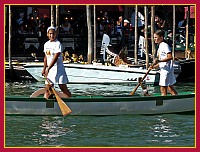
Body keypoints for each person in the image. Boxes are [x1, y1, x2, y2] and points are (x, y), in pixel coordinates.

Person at [42, 26, 72, 99]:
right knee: (48, 88)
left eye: (53, 34)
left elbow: (55, 57)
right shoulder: (46, 44)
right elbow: (46, 57)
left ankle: (70, 99)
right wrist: (44, 68)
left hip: (58, 69)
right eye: (50, 34)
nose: (51, 35)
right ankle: (48, 103)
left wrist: (48, 68)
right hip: (49, 69)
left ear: (56, 34)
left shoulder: (57, 44)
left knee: (62, 87)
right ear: (47, 34)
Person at [151, 30, 177, 96]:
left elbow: (170, 57)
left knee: (163, 88)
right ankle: (175, 98)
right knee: (169, 87)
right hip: (164, 69)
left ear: (161, 37)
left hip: (166, 70)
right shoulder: (160, 46)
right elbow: (161, 60)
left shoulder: (165, 45)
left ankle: (164, 102)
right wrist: (155, 66)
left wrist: (159, 61)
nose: (154, 39)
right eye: (154, 37)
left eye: (156, 37)